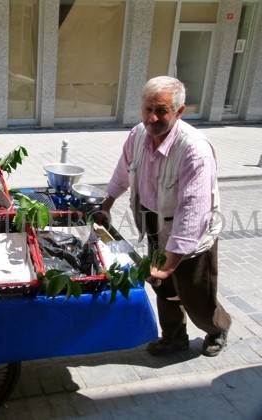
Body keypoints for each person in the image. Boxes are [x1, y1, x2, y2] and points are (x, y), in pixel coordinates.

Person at [101, 76, 231, 357]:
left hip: (191, 233)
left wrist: (170, 264)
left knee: (196, 293)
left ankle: (217, 327)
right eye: (148, 109)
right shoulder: (137, 135)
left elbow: (193, 213)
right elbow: (123, 171)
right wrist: (107, 203)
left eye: (161, 110)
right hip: (154, 220)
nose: (152, 117)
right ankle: (174, 337)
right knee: (163, 288)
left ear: (179, 111)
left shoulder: (194, 150)